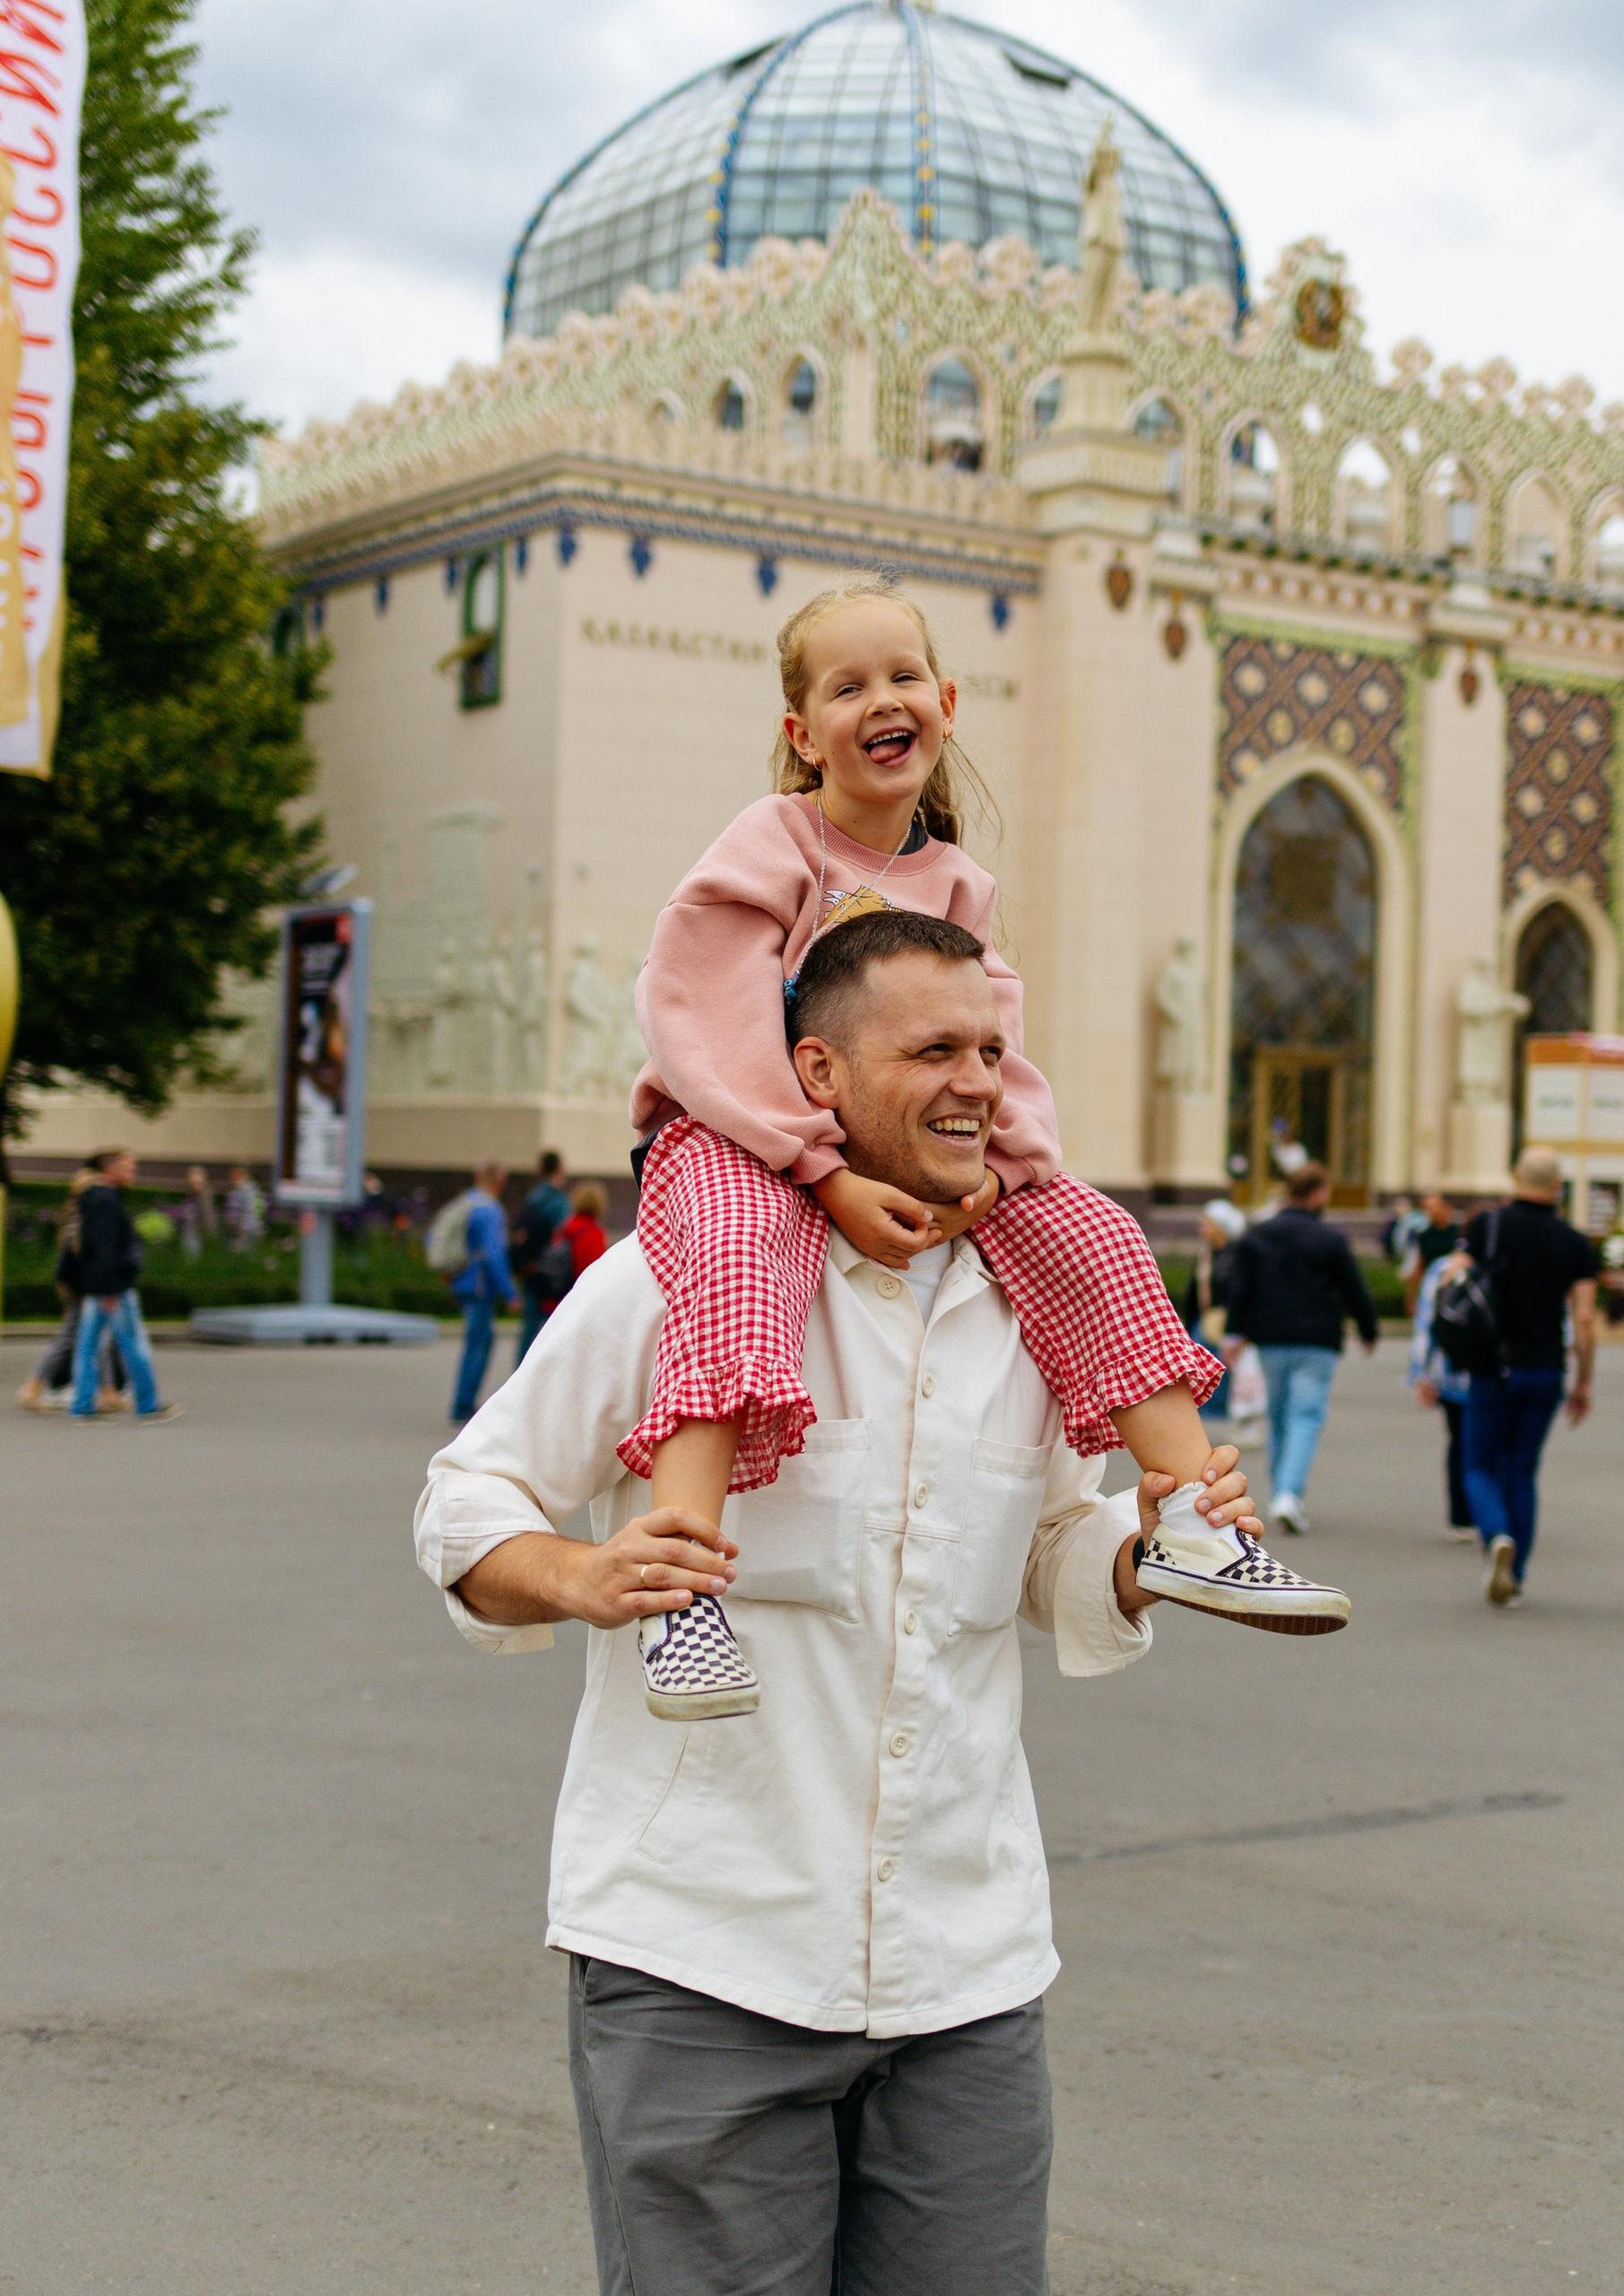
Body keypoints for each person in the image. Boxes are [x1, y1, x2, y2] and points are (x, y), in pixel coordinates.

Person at [416, 917, 1296, 2295]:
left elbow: (1044, 1547)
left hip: (965, 1966)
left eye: (992, 1051)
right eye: (932, 1049)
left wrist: (1139, 1547)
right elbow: (470, 1501)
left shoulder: (1031, 1302)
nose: (975, 1084)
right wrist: (583, 1577)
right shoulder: (682, 1278)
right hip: (708, 1951)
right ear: (816, 1073)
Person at [621, 579, 1343, 1715]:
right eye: (847, 685)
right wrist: (820, 1168)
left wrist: (1003, 1173)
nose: (882, 700)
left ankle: (1191, 1516)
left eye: (903, 676)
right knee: (738, 1254)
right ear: (802, 736)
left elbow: (987, 1051)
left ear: (946, 703)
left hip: (885, 1149)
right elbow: (701, 1007)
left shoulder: (956, 882)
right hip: (733, 1138)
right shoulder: (775, 842)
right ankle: (679, 1584)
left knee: (1091, 1228)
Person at [1457, 1147, 1599, 1606]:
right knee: (1523, 1468)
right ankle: (1514, 1576)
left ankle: (1497, 1535)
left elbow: (1453, 1283)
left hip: (1492, 1365)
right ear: (1559, 1187)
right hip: (1546, 1368)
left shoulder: (1487, 1226)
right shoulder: (1576, 1243)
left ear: (1515, 1175)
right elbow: (1584, 1320)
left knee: (1479, 1463)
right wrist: (1583, 1380)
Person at [1220, 1162, 1378, 1534]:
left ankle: (1282, 1492)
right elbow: (1353, 1288)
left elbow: (1240, 1287)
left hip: (1271, 1338)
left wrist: (1234, 1333)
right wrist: (1368, 1329)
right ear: (1317, 1193)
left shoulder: (1258, 1235)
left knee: (1277, 1416)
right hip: (1317, 1340)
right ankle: (1289, 1495)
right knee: (1305, 1415)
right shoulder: (1330, 1238)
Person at [66, 1149, 179, 1424]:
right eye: (128, 1166)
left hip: (98, 1287)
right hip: (113, 1288)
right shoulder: (106, 1200)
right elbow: (104, 1248)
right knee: (134, 1344)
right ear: (110, 1168)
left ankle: (82, 1406)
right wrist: (110, 1288)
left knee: (87, 1346)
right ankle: (148, 1404)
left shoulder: (93, 1198)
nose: (133, 1171)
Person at [17, 1162, 127, 1413]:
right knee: (71, 1338)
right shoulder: (82, 1217)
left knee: (97, 1338)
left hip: (81, 1285)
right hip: (83, 1287)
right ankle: (33, 1387)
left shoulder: (79, 1214)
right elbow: (81, 1255)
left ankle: (107, 1391)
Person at [1408, 1248, 1474, 1540]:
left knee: (1459, 1442)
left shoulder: (1443, 1268)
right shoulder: (1514, 1262)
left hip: (1454, 1372)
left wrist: (1422, 1372)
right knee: (1497, 1447)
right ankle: (1497, 1516)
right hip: (1502, 1374)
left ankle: (1461, 1518)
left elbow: (1426, 1323)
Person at [449, 1159, 518, 1423]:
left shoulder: (466, 1202)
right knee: (478, 1343)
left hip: (463, 1281)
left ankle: (464, 1400)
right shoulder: (490, 1210)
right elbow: (494, 1255)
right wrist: (510, 1292)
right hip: (479, 1285)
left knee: (480, 1339)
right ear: (497, 1180)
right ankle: (463, 1404)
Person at [512, 1151, 572, 1361]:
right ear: (559, 1169)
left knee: (529, 1327)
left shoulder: (533, 1197)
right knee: (551, 1327)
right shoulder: (558, 1201)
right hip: (550, 1272)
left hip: (530, 1268)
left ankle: (521, 1373)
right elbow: (563, 1237)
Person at [1180, 1196, 1245, 1369]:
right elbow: (1193, 1295)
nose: (1202, 1229)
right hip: (1202, 1323)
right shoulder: (1205, 1255)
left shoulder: (1236, 1255)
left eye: (1207, 1224)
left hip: (1223, 1326)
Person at [1400, 1188, 1463, 1313]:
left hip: (1452, 1289)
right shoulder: (1424, 1235)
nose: (1431, 1211)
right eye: (1427, 1208)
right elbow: (1419, 1265)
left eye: (1434, 1206)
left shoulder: (1458, 1233)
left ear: (1447, 1207)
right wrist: (1412, 1296)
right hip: (1431, 1289)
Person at [561, 1180, 612, 1278]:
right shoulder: (595, 1233)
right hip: (580, 1283)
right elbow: (595, 1269)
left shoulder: (566, 1225)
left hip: (560, 1285)